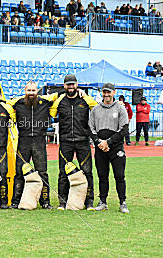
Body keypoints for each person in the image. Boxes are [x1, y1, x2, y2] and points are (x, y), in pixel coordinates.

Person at [8, 82, 59, 209]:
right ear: (25, 91)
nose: (31, 93)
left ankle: (45, 201)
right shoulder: (18, 102)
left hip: (39, 141)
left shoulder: (45, 101)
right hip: (23, 141)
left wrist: (80, 92)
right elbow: (4, 103)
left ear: (37, 91)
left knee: (42, 172)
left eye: (33, 90)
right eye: (28, 90)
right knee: (19, 172)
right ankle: (16, 201)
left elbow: (59, 94)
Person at [50, 75, 97, 211]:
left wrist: (85, 94)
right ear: (64, 86)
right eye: (68, 85)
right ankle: (62, 202)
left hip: (83, 141)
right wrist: (58, 96)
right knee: (62, 172)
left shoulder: (85, 100)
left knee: (87, 172)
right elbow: (50, 112)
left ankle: (89, 202)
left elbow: (98, 108)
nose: (70, 87)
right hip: (65, 142)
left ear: (77, 85)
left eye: (73, 84)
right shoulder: (60, 101)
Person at [88, 83, 130, 214]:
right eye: (104, 92)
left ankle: (122, 202)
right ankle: (103, 202)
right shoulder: (95, 109)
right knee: (102, 176)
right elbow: (90, 128)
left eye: (109, 92)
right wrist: (99, 142)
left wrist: (109, 142)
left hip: (116, 148)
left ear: (114, 92)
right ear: (101, 93)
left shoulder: (120, 108)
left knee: (119, 176)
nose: (106, 94)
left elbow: (124, 129)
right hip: (100, 148)